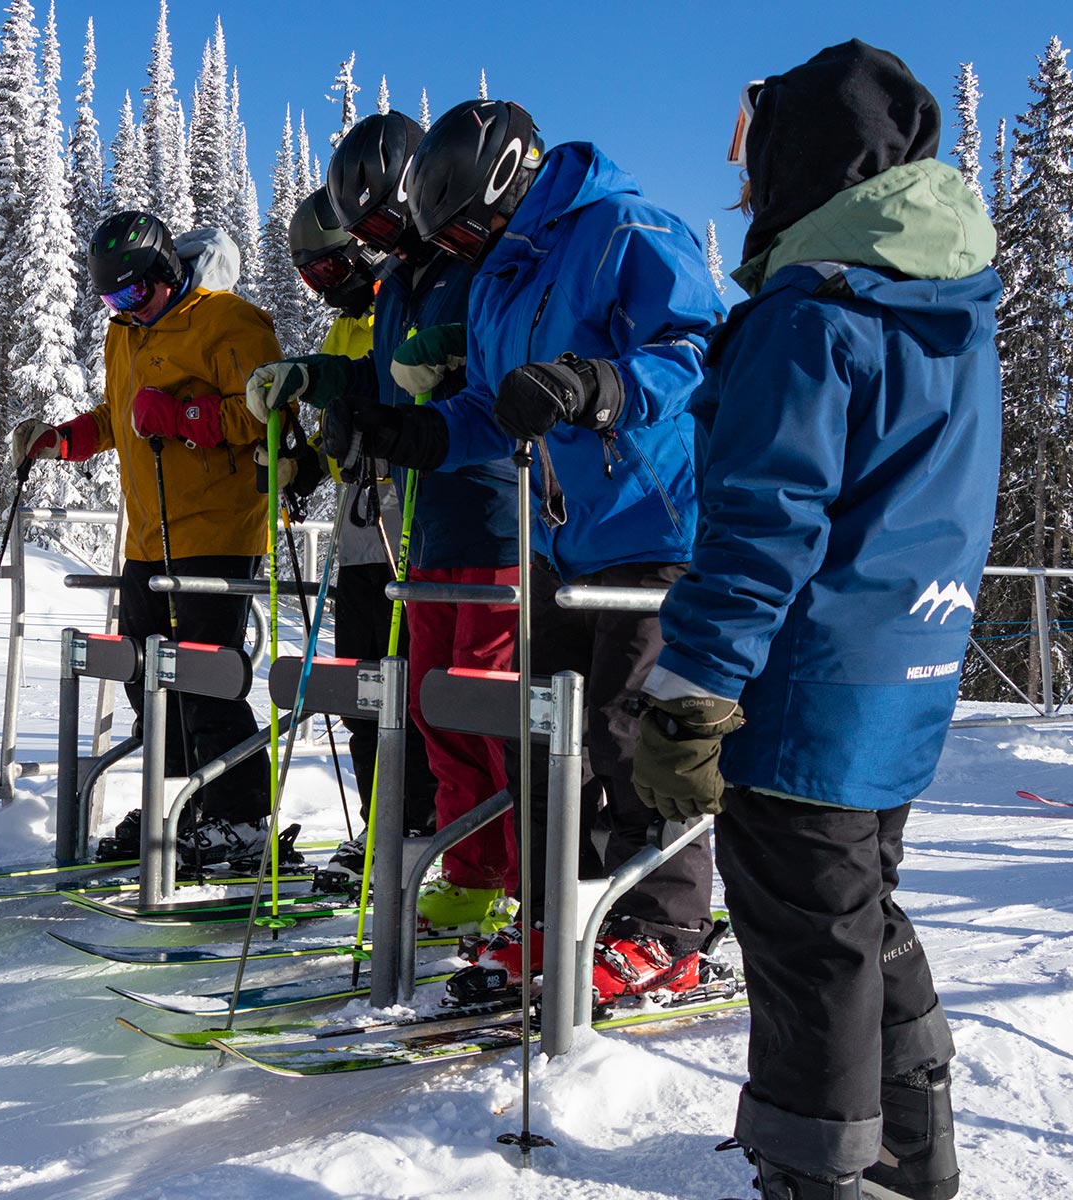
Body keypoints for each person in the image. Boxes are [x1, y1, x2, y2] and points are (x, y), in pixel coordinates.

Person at [633, 41, 998, 1200]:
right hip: (906, 673)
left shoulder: (811, 312)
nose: (745, 194)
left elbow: (760, 521)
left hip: (805, 687)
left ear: (806, 167)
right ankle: (910, 1148)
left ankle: (816, 1169)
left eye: (759, 166)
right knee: (856, 909)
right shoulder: (948, 311)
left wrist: (691, 686)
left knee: (804, 942)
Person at [365, 98, 724, 1001]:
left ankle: (665, 928)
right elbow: (491, 410)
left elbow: (701, 347)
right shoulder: (498, 278)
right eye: (451, 241)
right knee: (536, 732)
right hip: (560, 538)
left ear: (509, 187)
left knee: (623, 727)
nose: (462, 251)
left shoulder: (624, 229)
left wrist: (598, 383)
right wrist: (414, 436)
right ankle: (556, 905)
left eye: (469, 229)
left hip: (655, 523)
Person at [247, 112, 520, 934]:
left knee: (491, 710)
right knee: (437, 710)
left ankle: (523, 876)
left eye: (375, 227)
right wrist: (317, 379)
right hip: (424, 526)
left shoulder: (478, 263)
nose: (375, 245)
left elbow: (512, 355)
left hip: (495, 516)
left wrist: (458, 356)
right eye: (359, 234)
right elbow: (378, 373)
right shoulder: (402, 281)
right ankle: (468, 866)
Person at [12, 211, 283, 865]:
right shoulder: (125, 334)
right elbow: (117, 416)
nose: (125, 309)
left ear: (165, 274)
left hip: (218, 531)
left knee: (204, 679)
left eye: (133, 294)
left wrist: (189, 416)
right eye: (111, 300)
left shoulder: (229, 322)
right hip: (148, 536)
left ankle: (243, 820)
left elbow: (271, 411)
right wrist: (63, 440)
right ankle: (182, 807)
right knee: (146, 679)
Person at [276, 187, 439, 887]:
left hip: (411, 528)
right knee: (361, 693)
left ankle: (423, 822)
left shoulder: (404, 308)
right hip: (360, 537)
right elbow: (333, 424)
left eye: (328, 271)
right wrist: (304, 460)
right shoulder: (346, 327)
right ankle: (383, 821)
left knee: (414, 691)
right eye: (309, 277)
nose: (322, 290)